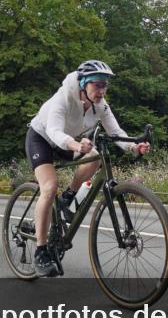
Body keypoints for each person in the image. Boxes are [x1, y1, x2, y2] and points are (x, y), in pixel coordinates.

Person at [25, 60, 150, 277]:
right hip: (42, 138)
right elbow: (54, 131)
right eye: (96, 85)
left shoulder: (100, 105)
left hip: (68, 141)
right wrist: (75, 144)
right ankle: (40, 251)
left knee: (94, 157)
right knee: (49, 186)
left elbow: (115, 132)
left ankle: (68, 196)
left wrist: (134, 146)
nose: (101, 90)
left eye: (104, 85)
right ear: (83, 84)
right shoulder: (62, 98)